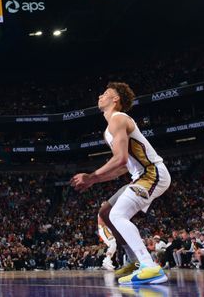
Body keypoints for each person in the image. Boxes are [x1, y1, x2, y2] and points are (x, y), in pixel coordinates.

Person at [71, 82, 171, 285]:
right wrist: (95, 180)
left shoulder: (119, 119)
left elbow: (120, 159)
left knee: (118, 214)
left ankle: (149, 266)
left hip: (153, 173)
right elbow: (122, 168)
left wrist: (91, 177)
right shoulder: (108, 131)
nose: (100, 95)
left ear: (115, 99)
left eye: (106, 93)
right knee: (106, 212)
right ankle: (134, 262)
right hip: (139, 176)